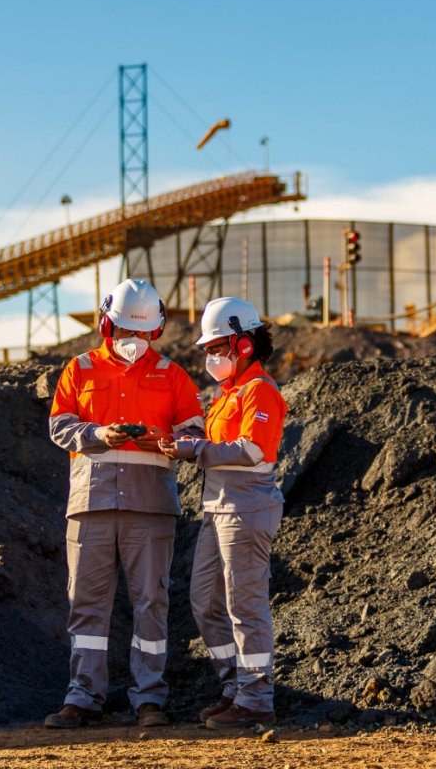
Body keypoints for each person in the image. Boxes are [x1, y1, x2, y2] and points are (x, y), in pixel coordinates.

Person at [45, 278, 204, 729]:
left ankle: (149, 698)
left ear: (155, 332)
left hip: (150, 506)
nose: (134, 342)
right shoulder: (79, 369)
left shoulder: (173, 375)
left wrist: (172, 441)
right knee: (86, 604)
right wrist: (97, 434)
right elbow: (59, 427)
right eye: (125, 332)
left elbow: (196, 430)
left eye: (143, 334)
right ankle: (83, 695)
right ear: (105, 325)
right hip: (91, 503)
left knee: (150, 603)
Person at [158, 296, 287, 729]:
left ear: (244, 345)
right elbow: (216, 441)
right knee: (205, 602)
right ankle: (235, 687)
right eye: (209, 349)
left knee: (245, 606)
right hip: (219, 507)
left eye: (218, 347)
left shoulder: (260, 391)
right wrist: (191, 436)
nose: (212, 356)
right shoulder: (227, 395)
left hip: (247, 507)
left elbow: (252, 449)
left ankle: (256, 699)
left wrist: (197, 449)